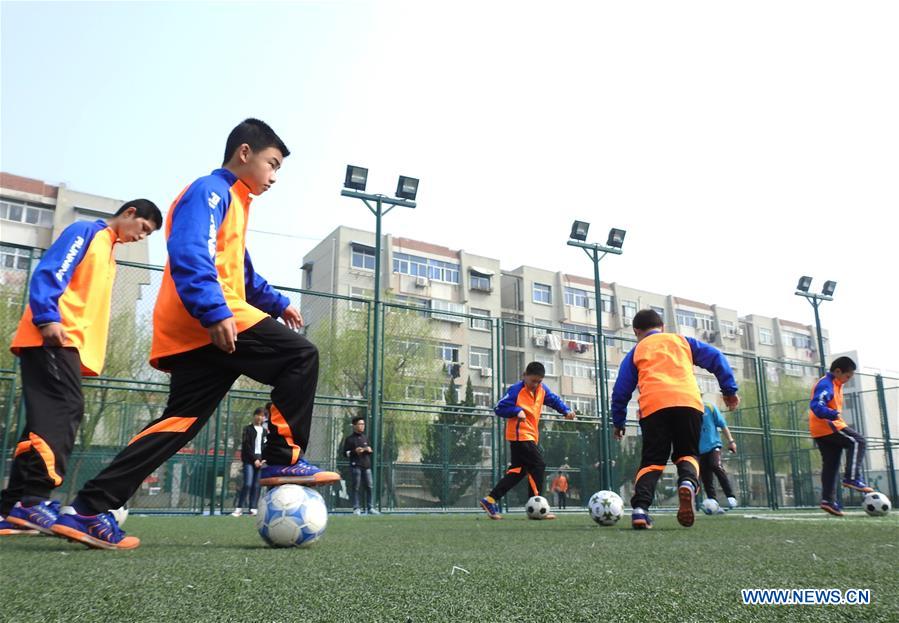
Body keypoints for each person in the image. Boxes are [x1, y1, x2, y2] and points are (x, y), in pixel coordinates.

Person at [52, 118, 339, 550]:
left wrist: (278, 303)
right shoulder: (210, 190)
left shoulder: (236, 204)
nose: (274, 177)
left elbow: (240, 271)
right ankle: (283, 460)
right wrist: (212, 310)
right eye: (272, 164)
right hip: (206, 319)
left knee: (178, 423)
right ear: (245, 153)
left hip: (200, 328)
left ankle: (90, 507)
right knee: (300, 357)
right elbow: (190, 251)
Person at [0, 200, 162, 536]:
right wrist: (46, 317)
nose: (140, 237)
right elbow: (51, 270)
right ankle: (33, 500)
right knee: (65, 409)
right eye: (143, 229)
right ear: (129, 213)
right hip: (54, 336)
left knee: (43, 419)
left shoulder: (109, 251)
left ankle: (11, 506)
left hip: (66, 343)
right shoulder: (87, 232)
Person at [611, 309, 739, 530]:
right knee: (687, 454)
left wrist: (619, 421)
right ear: (661, 327)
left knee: (652, 461)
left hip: (653, 407)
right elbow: (717, 357)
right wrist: (728, 389)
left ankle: (641, 509)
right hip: (688, 403)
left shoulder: (637, 350)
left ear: (636, 331)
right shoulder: (682, 341)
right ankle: (688, 482)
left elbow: (621, 390)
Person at [479, 361, 574, 520]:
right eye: (533, 381)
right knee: (538, 465)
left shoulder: (542, 390)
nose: (535, 385)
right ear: (524, 376)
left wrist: (566, 410)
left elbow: (554, 400)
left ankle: (489, 500)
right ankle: (537, 507)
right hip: (520, 435)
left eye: (539, 381)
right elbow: (499, 408)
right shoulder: (516, 390)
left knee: (518, 471)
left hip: (530, 435)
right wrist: (517, 411)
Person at [809, 356, 872, 516]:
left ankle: (828, 501)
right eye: (847, 376)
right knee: (858, 441)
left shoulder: (836, 383)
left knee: (831, 464)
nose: (848, 380)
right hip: (829, 426)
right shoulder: (826, 383)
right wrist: (832, 414)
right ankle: (852, 477)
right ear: (838, 371)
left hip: (819, 430)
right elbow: (816, 405)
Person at [698, 400, 738, 512]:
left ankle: (730, 496)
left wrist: (731, 441)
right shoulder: (689, 411)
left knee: (715, 465)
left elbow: (722, 424)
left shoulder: (709, 407)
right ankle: (713, 502)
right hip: (699, 450)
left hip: (713, 445)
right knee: (706, 477)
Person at [232, 407, 267, 517]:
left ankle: (253, 508)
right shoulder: (247, 429)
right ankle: (239, 508)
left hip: (260, 460)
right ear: (254, 415)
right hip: (249, 460)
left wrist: (262, 459)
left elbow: (265, 446)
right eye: (258, 415)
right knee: (247, 484)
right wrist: (254, 459)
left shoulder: (265, 432)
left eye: (262, 415)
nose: (260, 417)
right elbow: (246, 446)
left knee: (256, 485)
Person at [341, 416, 377, 515]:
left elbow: (370, 450)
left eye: (363, 424)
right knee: (356, 487)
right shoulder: (349, 439)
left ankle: (370, 508)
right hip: (355, 466)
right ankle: (356, 508)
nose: (362, 426)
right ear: (354, 425)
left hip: (367, 466)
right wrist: (354, 451)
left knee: (370, 486)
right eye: (360, 424)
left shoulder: (365, 437)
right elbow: (345, 453)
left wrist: (368, 450)